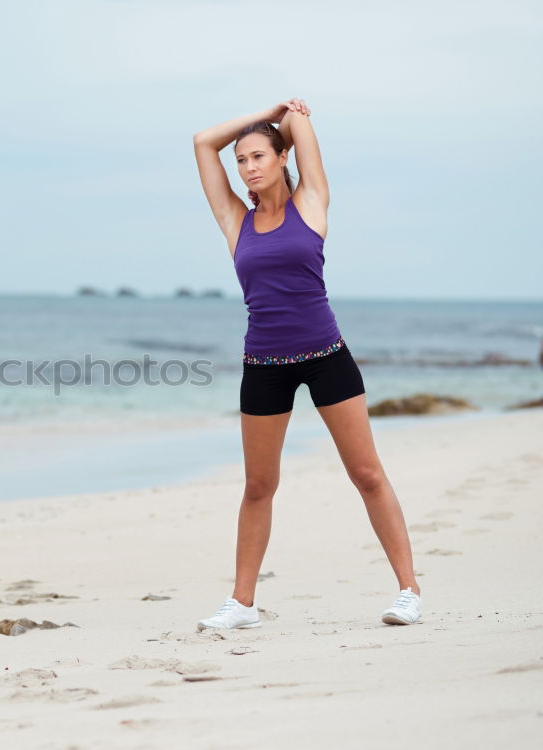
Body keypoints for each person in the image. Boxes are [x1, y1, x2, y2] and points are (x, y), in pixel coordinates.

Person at [190, 98, 422, 628]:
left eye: (258, 157)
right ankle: (242, 604)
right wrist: (260, 115)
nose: (247, 166)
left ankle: (408, 591)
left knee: (366, 474)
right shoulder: (235, 220)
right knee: (258, 486)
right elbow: (203, 141)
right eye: (242, 160)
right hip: (263, 364)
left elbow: (299, 120)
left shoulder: (310, 201)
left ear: (281, 158)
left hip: (325, 357)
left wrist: (283, 124)